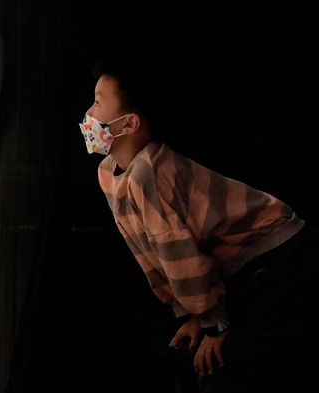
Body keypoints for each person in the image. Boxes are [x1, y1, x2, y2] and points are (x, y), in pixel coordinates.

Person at [79, 54, 319, 392]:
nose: (89, 113)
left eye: (98, 102)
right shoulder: (109, 174)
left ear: (129, 123)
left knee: (224, 369)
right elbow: (152, 257)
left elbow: (181, 257)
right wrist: (191, 314)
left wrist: (213, 324)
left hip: (280, 256)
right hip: (238, 271)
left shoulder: (150, 175)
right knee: (196, 364)